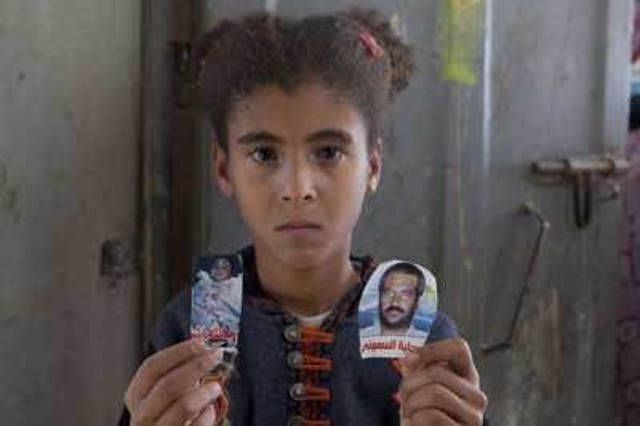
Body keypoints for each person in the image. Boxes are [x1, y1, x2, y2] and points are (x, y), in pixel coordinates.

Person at [120, 8, 488, 426]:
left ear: (372, 166)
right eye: (264, 154)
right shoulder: (188, 327)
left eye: (329, 152)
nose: (298, 188)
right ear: (224, 170)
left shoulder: (423, 338)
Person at [361, 262, 430, 338]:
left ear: (418, 301)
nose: (395, 302)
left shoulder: (432, 344)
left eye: (405, 294)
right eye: (388, 293)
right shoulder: (353, 337)